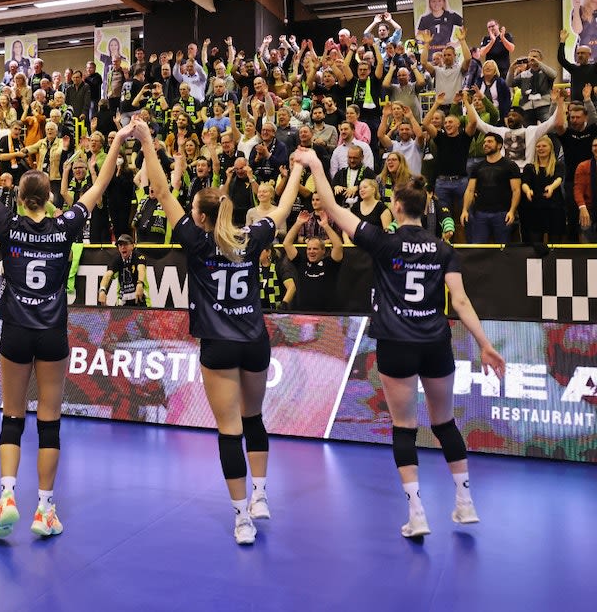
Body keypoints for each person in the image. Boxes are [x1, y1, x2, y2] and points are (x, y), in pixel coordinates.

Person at [0, 107, 135, 541]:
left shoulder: (6, 224)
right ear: (48, 197)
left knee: (12, 415)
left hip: (15, 330)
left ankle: (7, 496)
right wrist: (117, 141)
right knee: (50, 420)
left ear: (20, 198)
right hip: (52, 333)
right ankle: (45, 508)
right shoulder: (65, 225)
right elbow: (99, 186)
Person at [292, 149, 504, 539]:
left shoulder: (384, 242)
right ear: (425, 209)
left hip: (395, 342)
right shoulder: (444, 249)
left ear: (395, 206)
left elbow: (337, 210)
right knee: (445, 423)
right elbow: (460, 301)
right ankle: (464, 502)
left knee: (404, 427)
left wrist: (318, 167)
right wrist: (486, 344)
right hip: (435, 342)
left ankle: (417, 512)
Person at [145, 126, 305, 544]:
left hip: (218, 346)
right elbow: (284, 208)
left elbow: (162, 193)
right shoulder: (250, 239)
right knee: (254, 418)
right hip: (255, 341)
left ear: (199, 215)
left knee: (229, 428)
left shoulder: (197, 243)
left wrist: (147, 142)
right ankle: (261, 495)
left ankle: (240, 518)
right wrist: (298, 171)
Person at [461, 132, 521, 244]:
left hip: (502, 214)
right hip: (480, 214)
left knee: (503, 250)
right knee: (477, 250)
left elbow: (516, 190)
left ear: (499, 145)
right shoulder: (477, 167)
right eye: (484, 142)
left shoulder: (510, 165)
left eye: (489, 141)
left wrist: (512, 211)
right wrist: (464, 210)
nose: (485, 144)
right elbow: (470, 190)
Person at [98, 235, 146, 307]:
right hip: (123, 300)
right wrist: (102, 290)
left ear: (132, 246)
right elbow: (108, 275)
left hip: (140, 297)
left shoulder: (139, 256)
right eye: (120, 245)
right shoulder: (116, 259)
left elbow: (141, 269)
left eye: (125, 244)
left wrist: (140, 283)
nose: (123, 247)